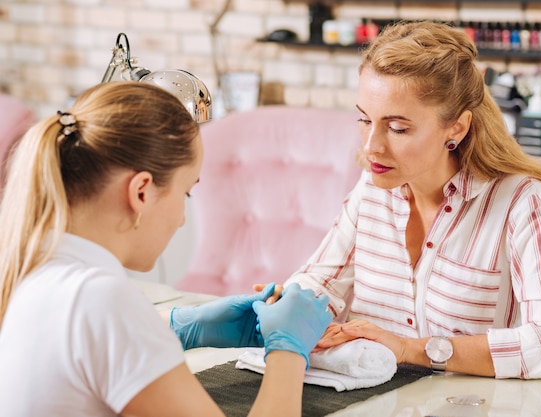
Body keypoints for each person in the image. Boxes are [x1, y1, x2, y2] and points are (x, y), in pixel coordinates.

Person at [256, 20, 541, 380]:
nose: (371, 147)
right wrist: (289, 303)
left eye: (398, 128)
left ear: (455, 129)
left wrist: (412, 349)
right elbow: (322, 282)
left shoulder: (521, 202)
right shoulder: (372, 190)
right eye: (365, 120)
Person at [0, 81, 332, 416]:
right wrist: (288, 351)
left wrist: (176, 326)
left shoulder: (33, 266)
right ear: (141, 191)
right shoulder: (102, 300)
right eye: (186, 193)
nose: (181, 221)